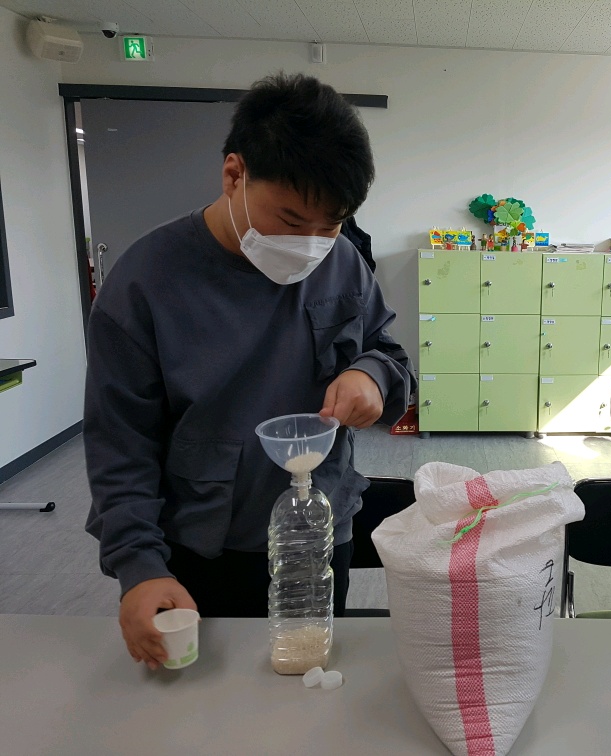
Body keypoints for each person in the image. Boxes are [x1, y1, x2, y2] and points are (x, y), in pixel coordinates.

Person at [84, 73, 416, 669]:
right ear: (234, 175)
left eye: (330, 224)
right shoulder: (144, 282)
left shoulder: (341, 261)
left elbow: (389, 355)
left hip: (318, 532)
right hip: (201, 549)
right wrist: (138, 566)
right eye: (290, 220)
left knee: (310, 681)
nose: (310, 244)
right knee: (210, 698)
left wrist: (373, 375)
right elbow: (120, 444)